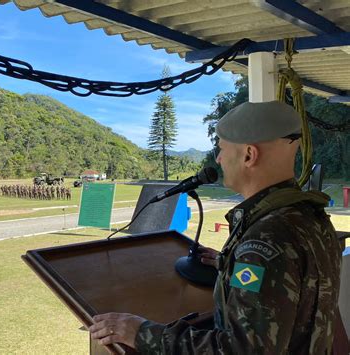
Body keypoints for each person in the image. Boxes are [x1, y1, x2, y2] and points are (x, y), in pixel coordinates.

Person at [89, 101, 342, 354]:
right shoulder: (310, 218)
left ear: (248, 155)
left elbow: (239, 350)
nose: (218, 159)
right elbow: (294, 288)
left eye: (221, 149)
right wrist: (229, 263)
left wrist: (140, 333)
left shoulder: (265, 240)